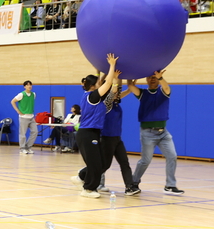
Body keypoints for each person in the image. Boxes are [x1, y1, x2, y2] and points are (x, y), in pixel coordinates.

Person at [127, 71, 184, 195]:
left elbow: (167, 87)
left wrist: (161, 77)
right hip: (147, 133)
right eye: (150, 77)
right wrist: (130, 76)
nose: (152, 79)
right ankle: (134, 182)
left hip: (163, 133)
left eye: (154, 78)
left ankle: (170, 185)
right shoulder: (143, 94)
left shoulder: (164, 92)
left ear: (158, 79)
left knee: (172, 156)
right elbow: (131, 87)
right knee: (145, 160)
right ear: (146, 80)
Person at [75, 54, 118, 198]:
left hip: (92, 133)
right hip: (87, 133)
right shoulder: (92, 96)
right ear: (93, 87)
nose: (101, 83)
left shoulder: (91, 96)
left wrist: (100, 70)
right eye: (98, 83)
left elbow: (101, 83)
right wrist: (112, 65)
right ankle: (88, 189)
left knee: (102, 164)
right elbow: (106, 84)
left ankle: (82, 176)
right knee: (95, 164)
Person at [11, 81, 38, 155]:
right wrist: (17, 111)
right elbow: (13, 101)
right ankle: (22, 149)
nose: (29, 86)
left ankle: (28, 147)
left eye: (30, 85)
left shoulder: (34, 94)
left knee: (35, 132)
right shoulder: (21, 94)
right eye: (28, 85)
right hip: (23, 117)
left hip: (31, 117)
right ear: (24, 86)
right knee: (23, 134)